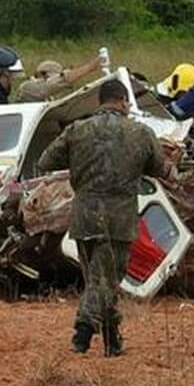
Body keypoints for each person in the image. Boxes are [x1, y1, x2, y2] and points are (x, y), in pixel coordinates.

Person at [36, 78, 167, 357]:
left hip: (84, 217)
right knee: (105, 280)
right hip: (119, 218)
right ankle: (82, 331)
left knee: (98, 278)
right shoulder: (140, 133)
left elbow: (45, 162)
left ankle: (112, 340)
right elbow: (161, 169)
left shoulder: (77, 130)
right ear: (122, 101)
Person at [12, 49, 108, 103]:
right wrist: (90, 67)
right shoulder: (28, 87)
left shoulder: (47, 96)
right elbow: (53, 85)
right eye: (56, 77)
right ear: (43, 75)